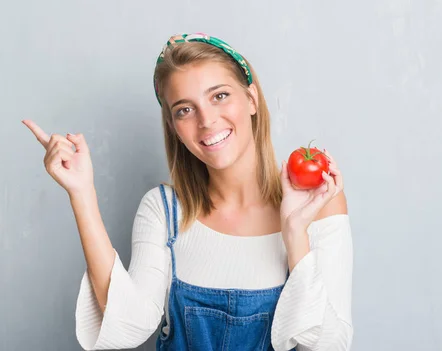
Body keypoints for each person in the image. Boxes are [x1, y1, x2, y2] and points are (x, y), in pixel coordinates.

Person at [22, 33, 353, 351]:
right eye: (185, 109)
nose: (206, 120)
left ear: (251, 99)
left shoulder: (318, 202)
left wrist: (295, 236)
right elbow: (128, 324)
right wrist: (82, 194)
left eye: (219, 95)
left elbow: (329, 346)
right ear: (174, 128)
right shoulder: (163, 210)